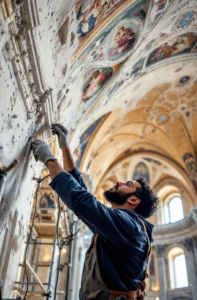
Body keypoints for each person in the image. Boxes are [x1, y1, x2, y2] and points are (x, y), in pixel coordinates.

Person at [32, 123, 159, 300]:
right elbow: (83, 192)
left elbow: (83, 202)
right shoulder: (122, 226)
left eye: (127, 185)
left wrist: (50, 160)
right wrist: (65, 147)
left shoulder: (129, 225)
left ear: (133, 200)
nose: (120, 183)